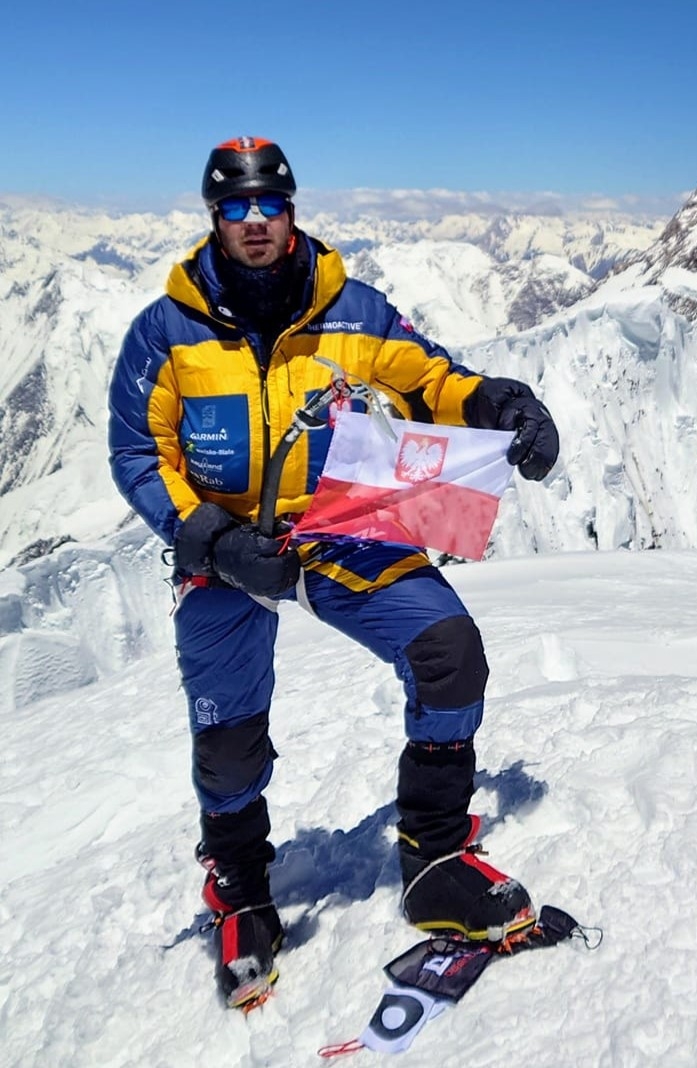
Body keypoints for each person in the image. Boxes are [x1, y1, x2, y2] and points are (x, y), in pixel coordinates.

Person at [107, 137, 559, 1010]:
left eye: (267, 204)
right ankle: (240, 890)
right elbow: (137, 451)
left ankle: (433, 855)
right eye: (234, 208)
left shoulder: (350, 311)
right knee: (229, 738)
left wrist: (500, 402)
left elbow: (429, 381)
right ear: (213, 217)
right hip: (224, 546)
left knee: (448, 651)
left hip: (336, 527)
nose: (253, 222)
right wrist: (204, 533)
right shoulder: (165, 332)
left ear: (291, 209)